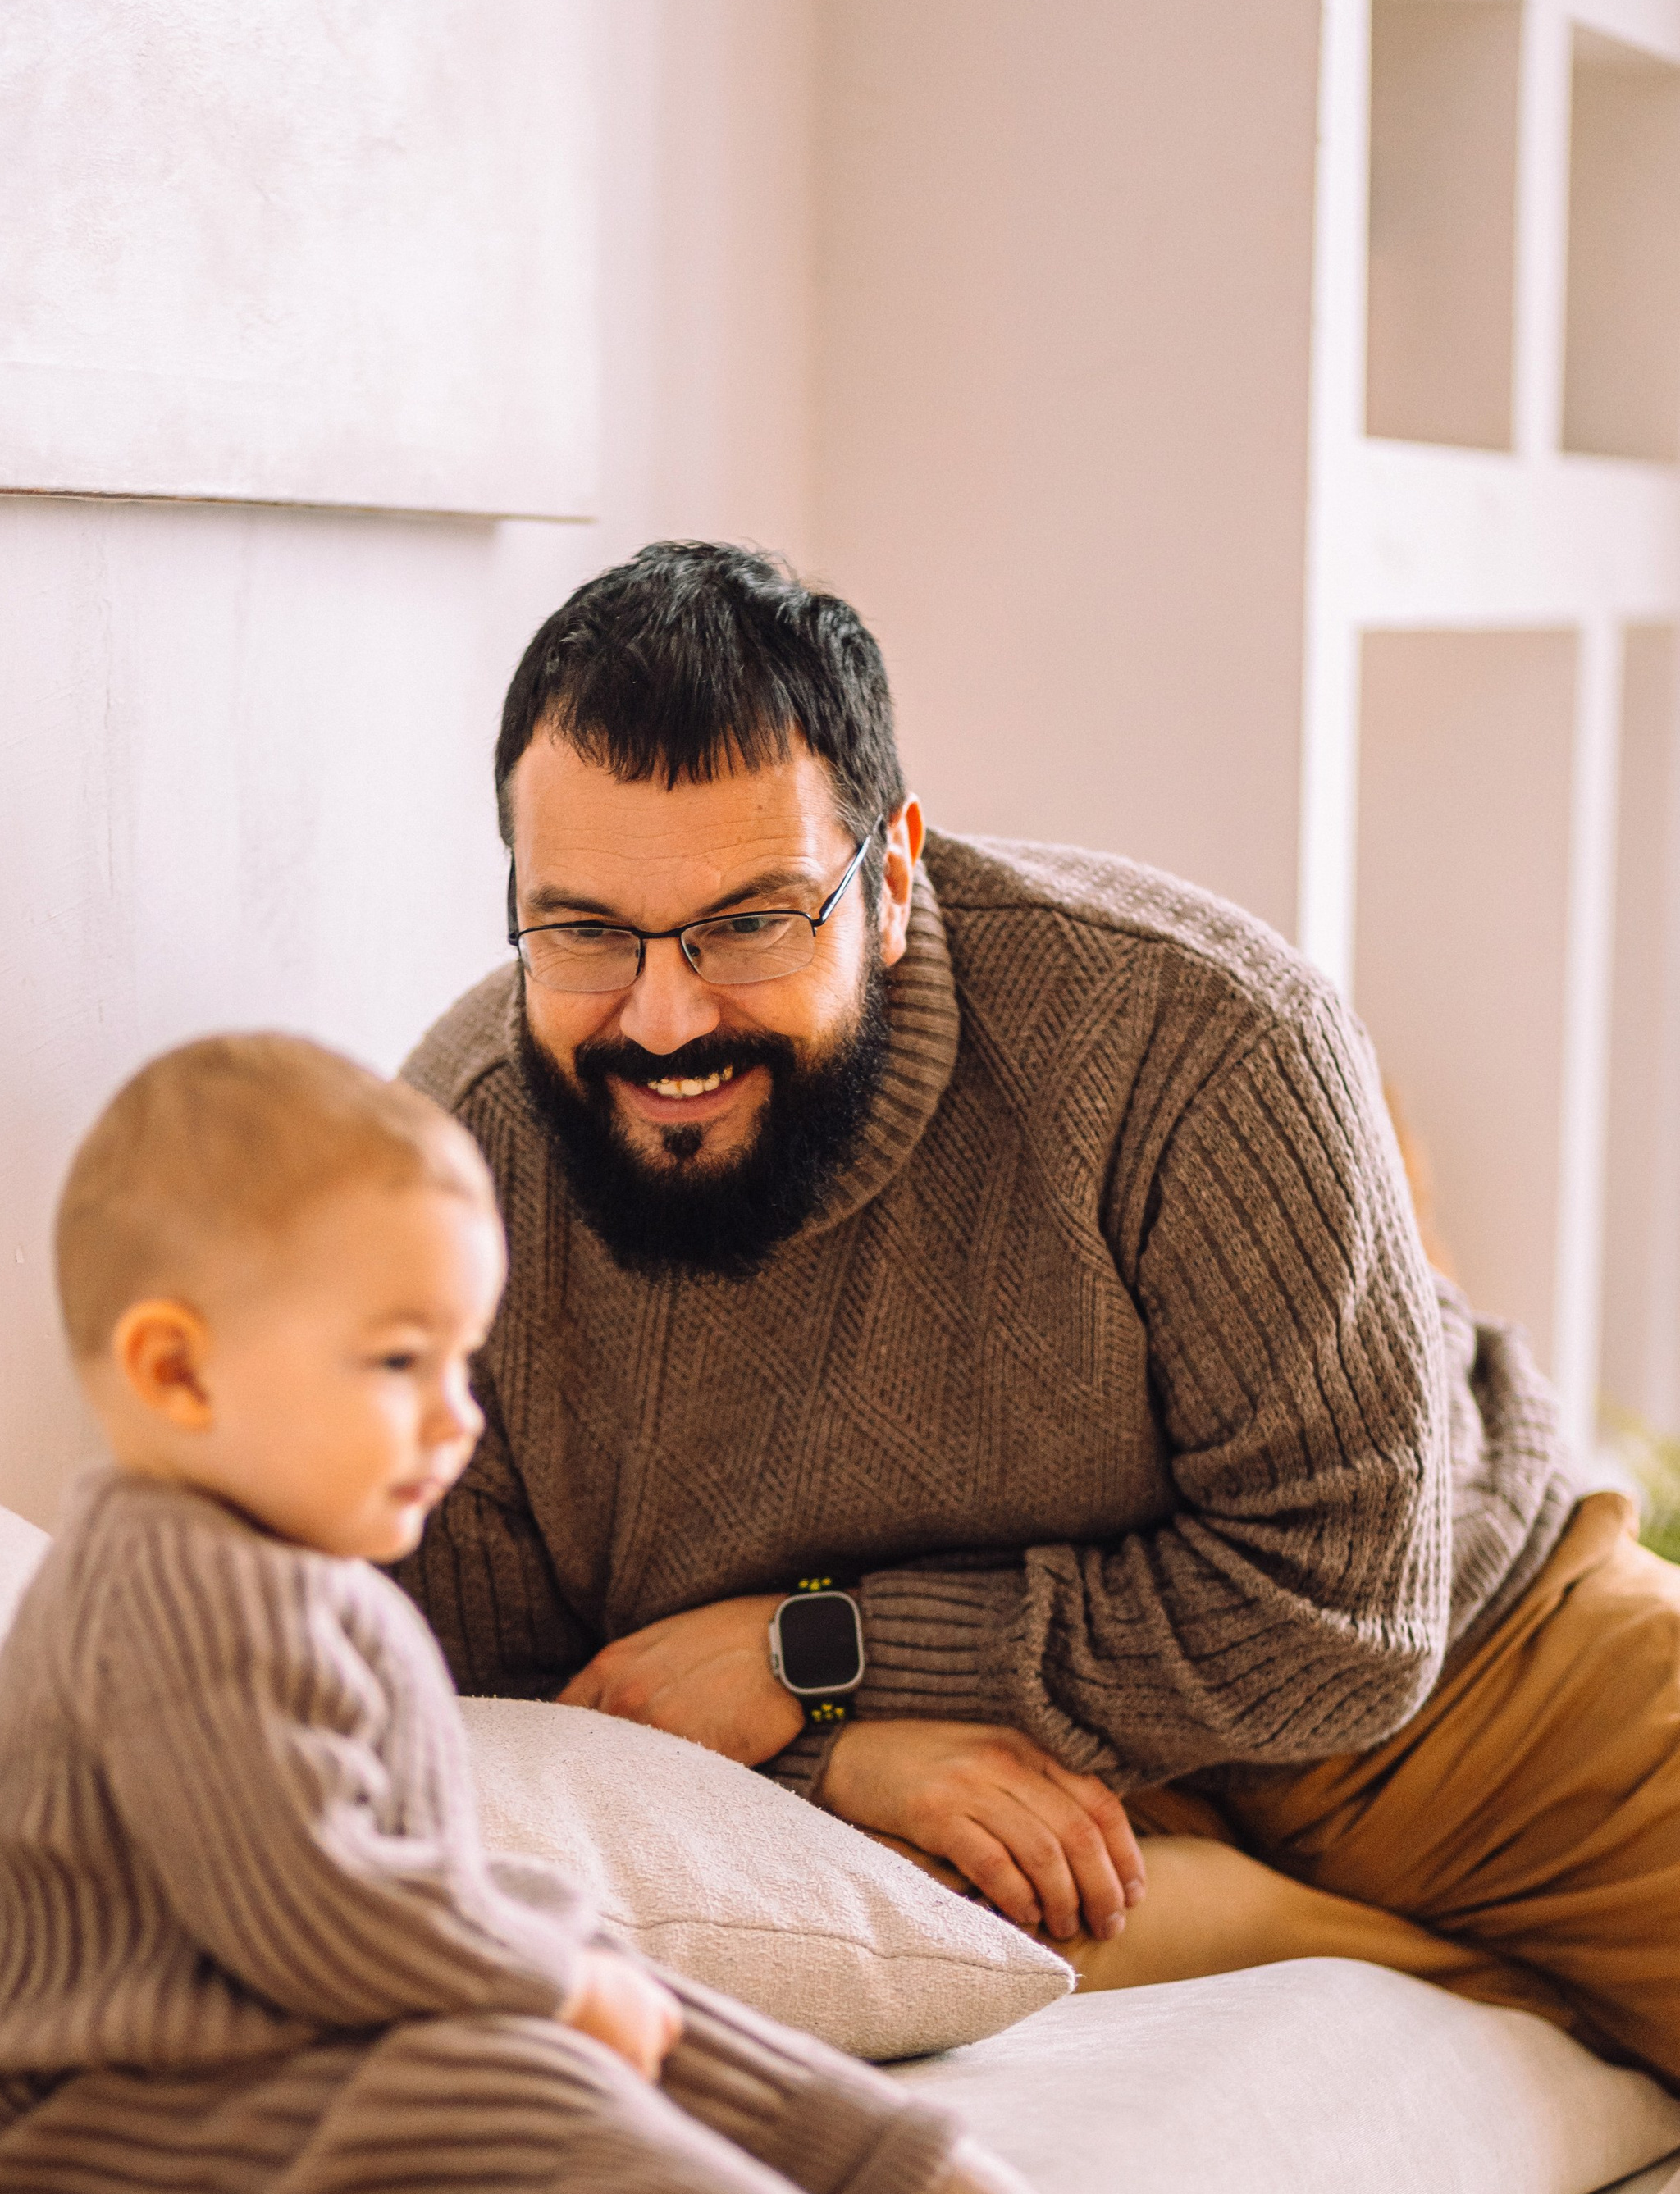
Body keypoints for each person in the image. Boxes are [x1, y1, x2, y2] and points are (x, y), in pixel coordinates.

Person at [399, 541, 1680, 2088]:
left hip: (1454, 1692)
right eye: (588, 930)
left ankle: (1422, 1958)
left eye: (750, 923)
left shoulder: (1200, 1031)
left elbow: (1350, 1620)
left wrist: (825, 1652)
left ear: (890, 879)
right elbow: (489, 1705)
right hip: (938, 1790)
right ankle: (1406, 1965)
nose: (665, 1019)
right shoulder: (454, 1172)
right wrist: (842, 1751)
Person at [0, 1032, 1212, 2194]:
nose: (460, 1416)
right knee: (527, 2077)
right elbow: (313, 1914)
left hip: (276, 2062)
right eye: (400, 1363)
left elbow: (398, 1888)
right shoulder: (174, 1593)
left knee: (675, 2022)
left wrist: (578, 1970)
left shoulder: (305, 1584)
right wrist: (548, 1975)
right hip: (112, 2135)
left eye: (464, 1359)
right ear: (179, 1373)